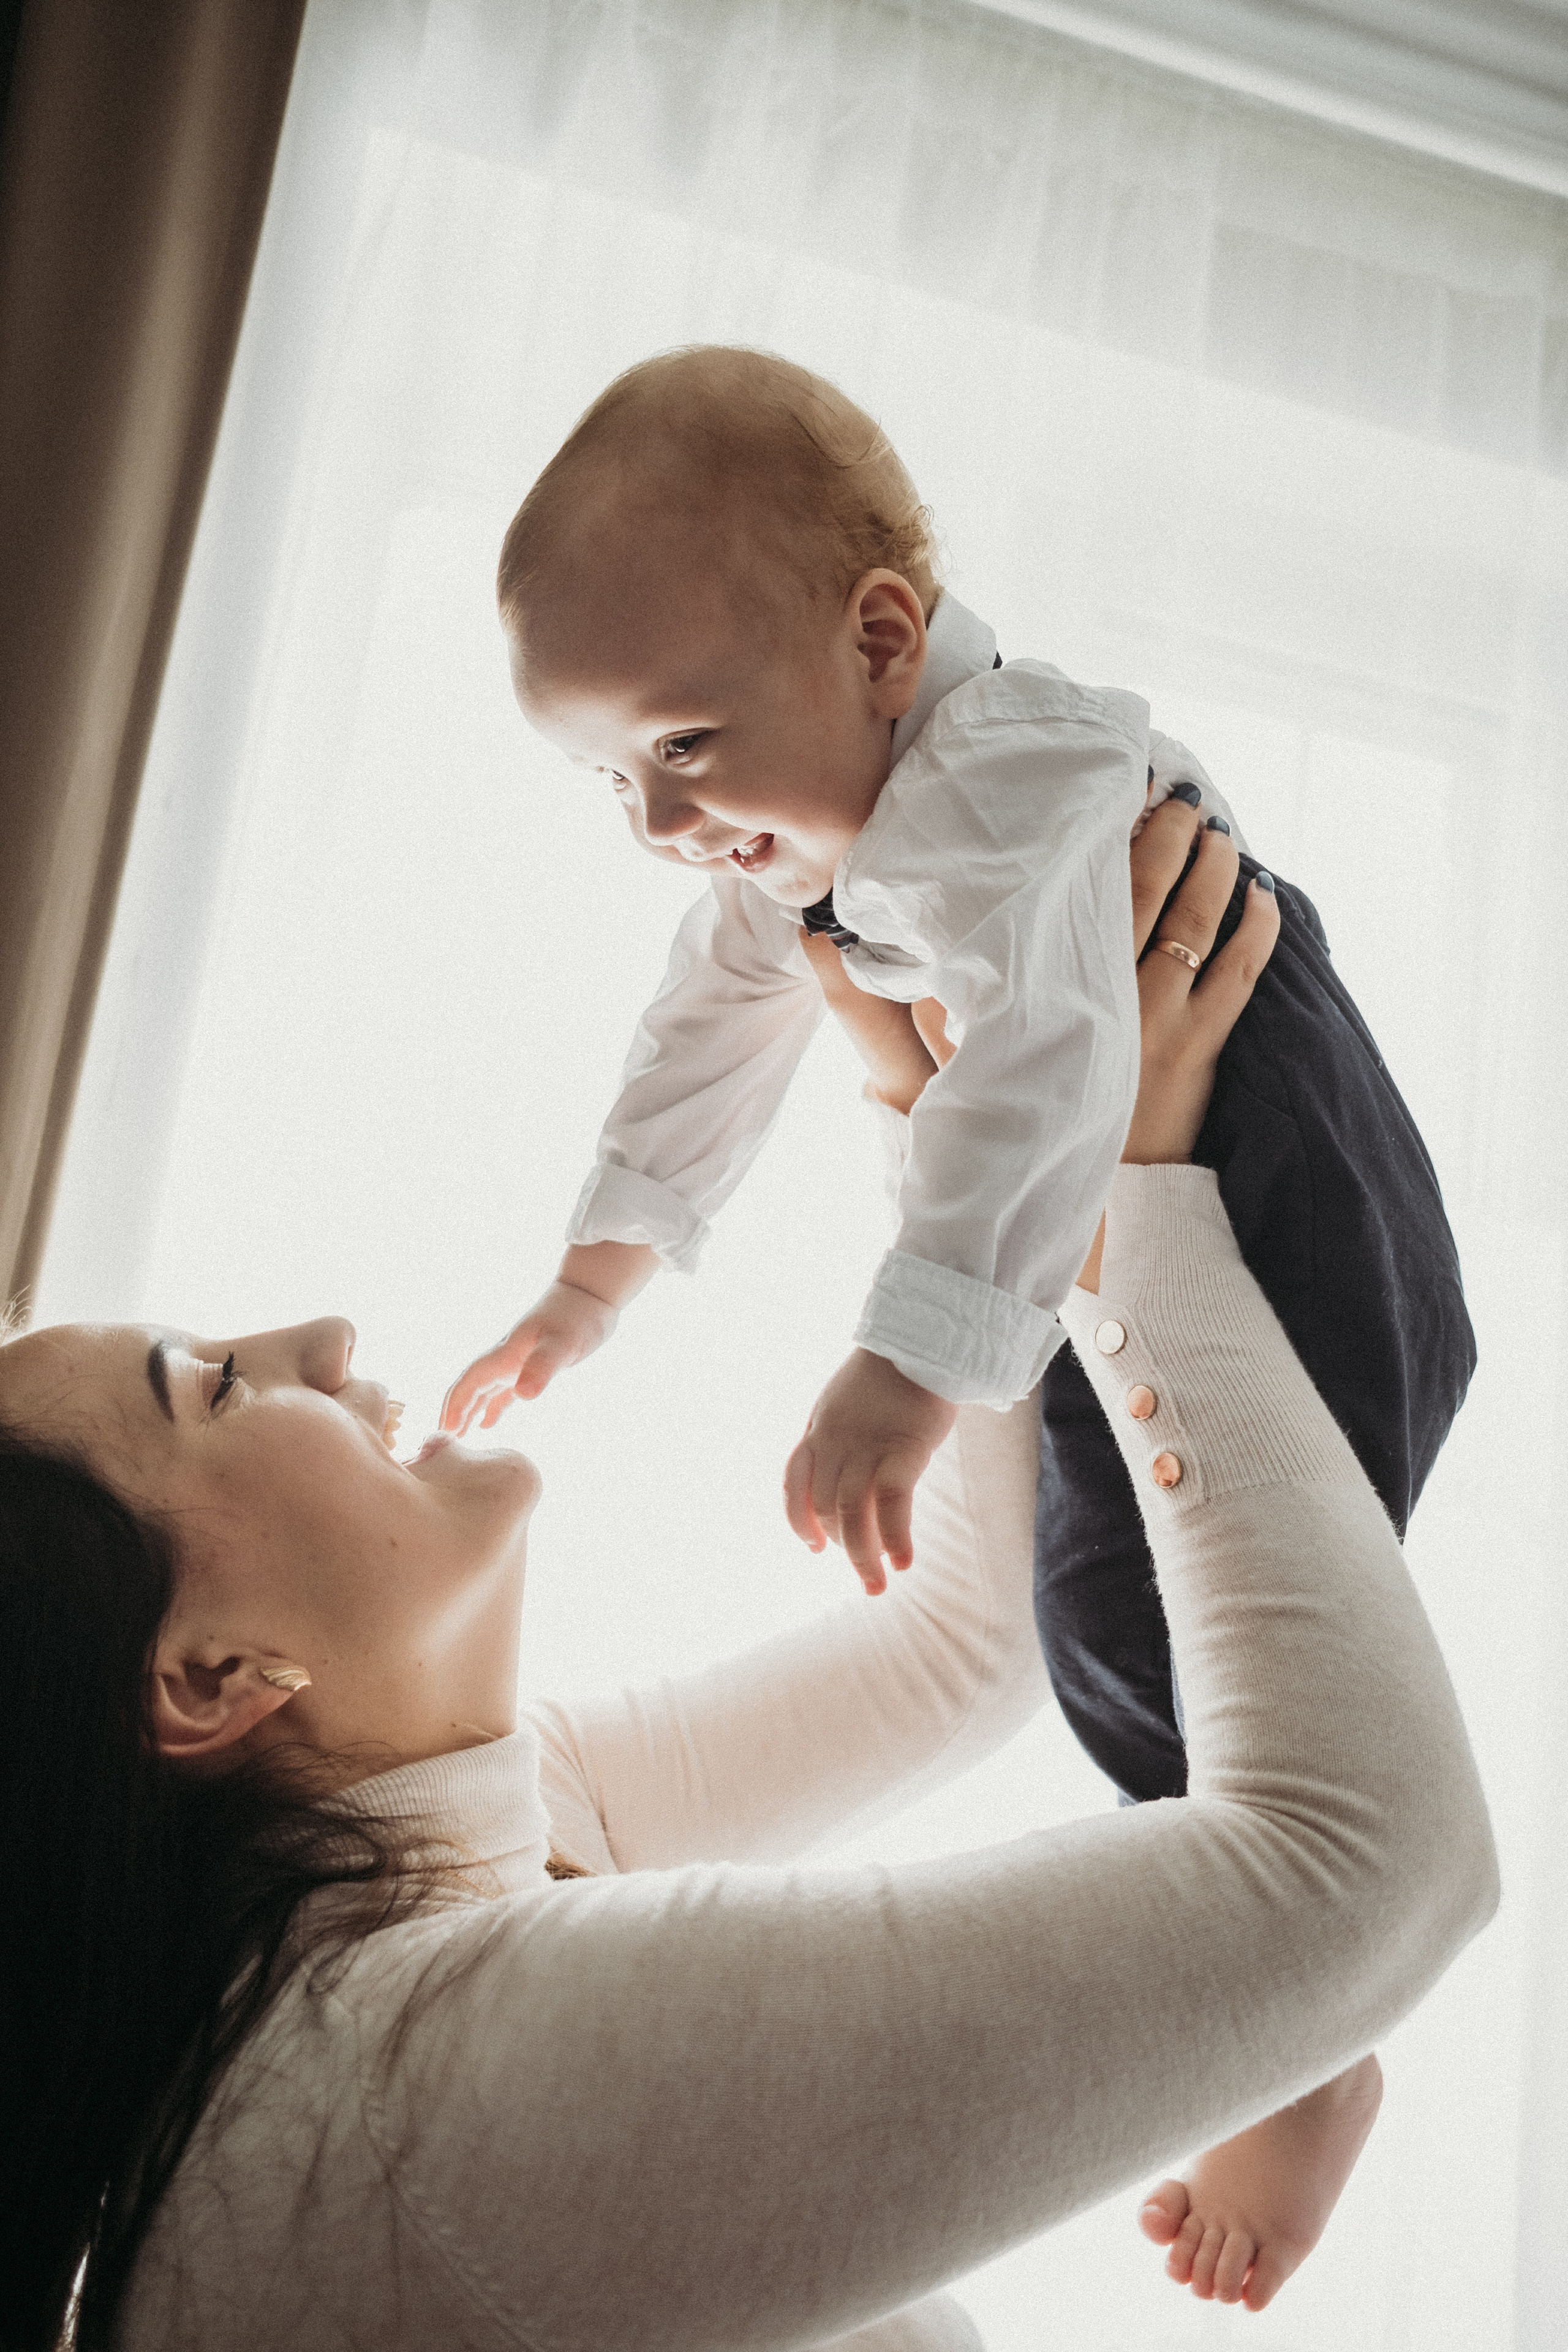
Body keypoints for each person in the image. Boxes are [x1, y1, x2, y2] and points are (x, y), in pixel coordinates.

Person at [0, 813, 1495, 2351]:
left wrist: (951, 1133)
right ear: (208, 1676)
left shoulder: (448, 1854)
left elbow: (962, 1648)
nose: (316, 1339)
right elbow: (1367, 1873)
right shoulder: (406, 2101)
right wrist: (1139, 1190)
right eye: (211, 1386)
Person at [440, 346, 1476, 1813]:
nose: (658, 820)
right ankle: (1218, 1832)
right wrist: (588, 1285)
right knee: (1093, 1606)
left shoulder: (1000, 785)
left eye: (681, 743)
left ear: (878, 644)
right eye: (612, 777)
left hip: (1283, 1165)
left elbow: (1045, 1061)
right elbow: (700, 1036)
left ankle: (1262, 1847)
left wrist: (908, 1365)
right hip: (1106, 1174)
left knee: (1179, 1620)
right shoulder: (806, 828)